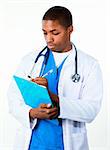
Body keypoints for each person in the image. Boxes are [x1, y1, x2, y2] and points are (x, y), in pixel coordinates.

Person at [7, 6, 103, 150]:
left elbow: (91, 110)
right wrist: (32, 113)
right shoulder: (30, 60)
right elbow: (13, 98)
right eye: (44, 33)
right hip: (33, 143)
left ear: (70, 30)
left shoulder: (89, 65)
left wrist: (55, 99)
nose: (48, 39)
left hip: (67, 144)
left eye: (55, 32)